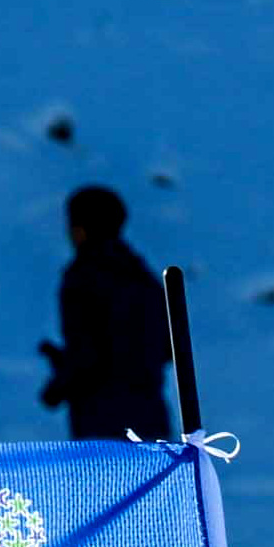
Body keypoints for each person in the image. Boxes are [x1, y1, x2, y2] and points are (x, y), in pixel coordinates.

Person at [37, 184, 174, 441]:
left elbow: (86, 355)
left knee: (102, 481)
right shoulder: (145, 278)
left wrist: (58, 385)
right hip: (151, 417)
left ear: (81, 228)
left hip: (101, 422)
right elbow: (167, 349)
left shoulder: (82, 278)